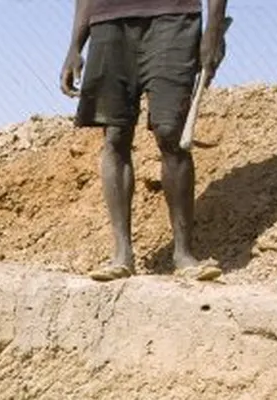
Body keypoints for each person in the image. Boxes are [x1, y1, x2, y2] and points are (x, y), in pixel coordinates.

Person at [60, 0, 229, 281]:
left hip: (174, 19)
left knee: (170, 133)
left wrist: (213, 32)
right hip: (107, 22)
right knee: (115, 135)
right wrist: (75, 46)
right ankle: (122, 255)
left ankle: (184, 254)